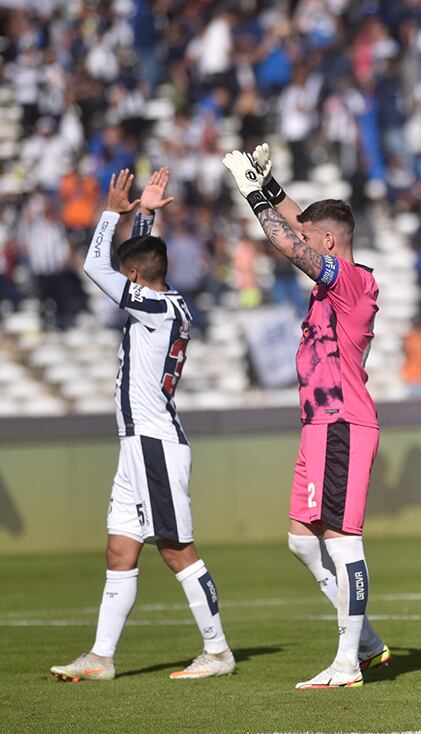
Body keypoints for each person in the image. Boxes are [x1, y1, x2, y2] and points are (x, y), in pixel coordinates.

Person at [51, 168, 235, 682]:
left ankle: (218, 652)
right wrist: (147, 214)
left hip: (154, 442)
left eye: (127, 275)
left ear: (134, 280)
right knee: (119, 549)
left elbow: (96, 266)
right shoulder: (161, 299)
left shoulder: (155, 307)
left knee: (177, 550)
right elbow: (139, 260)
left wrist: (115, 211)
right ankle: (101, 657)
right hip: (137, 444)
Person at [223, 144, 387, 689]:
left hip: (342, 421)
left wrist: (250, 193)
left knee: (343, 540)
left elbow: (286, 240)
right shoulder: (333, 276)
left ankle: (348, 662)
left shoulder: (352, 281)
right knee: (300, 539)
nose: (303, 239)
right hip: (318, 425)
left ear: (330, 243)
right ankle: (364, 640)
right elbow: (299, 225)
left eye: (313, 236)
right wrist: (269, 184)